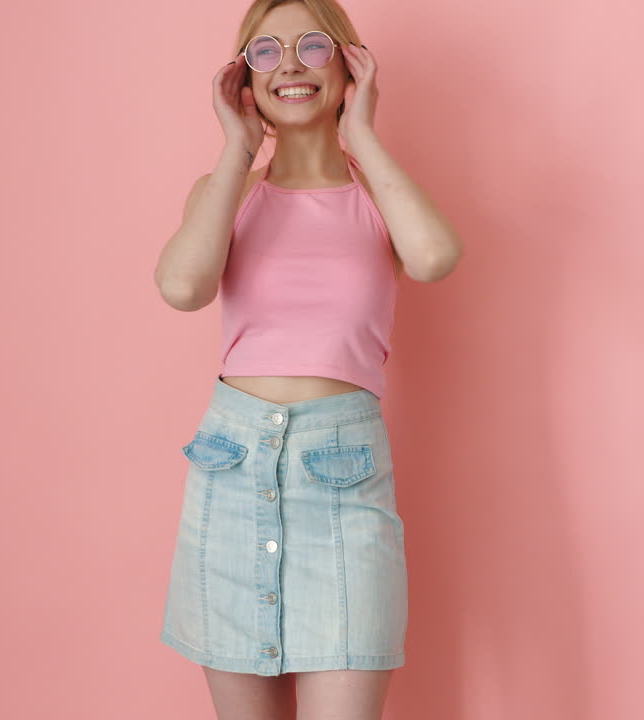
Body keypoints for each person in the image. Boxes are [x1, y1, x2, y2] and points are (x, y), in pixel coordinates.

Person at [153, 0, 463, 717]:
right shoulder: (227, 193)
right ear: (243, 77)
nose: (288, 64)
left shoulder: (377, 193)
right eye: (265, 52)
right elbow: (183, 288)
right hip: (230, 469)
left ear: (350, 64)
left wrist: (363, 133)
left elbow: (434, 257)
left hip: (343, 480)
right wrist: (236, 148)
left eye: (313, 46)